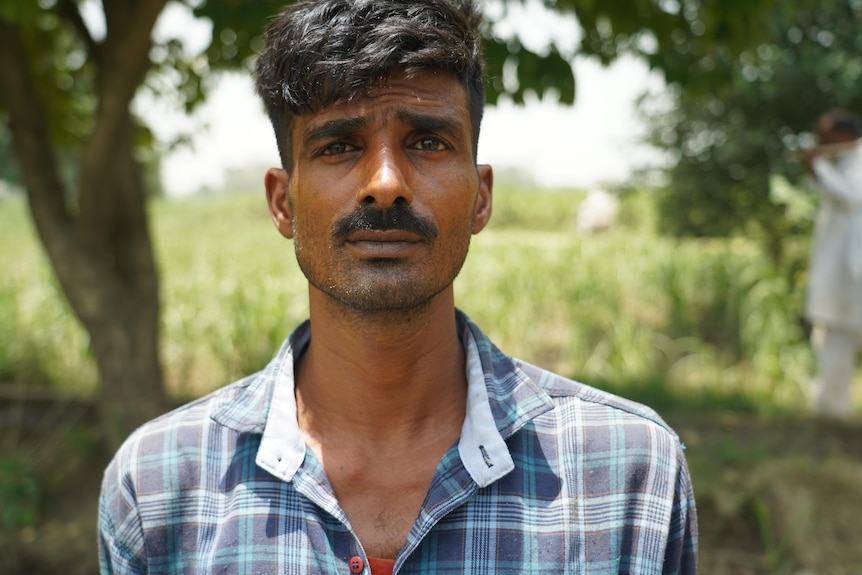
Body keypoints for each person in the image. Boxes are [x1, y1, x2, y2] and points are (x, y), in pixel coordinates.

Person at [98, 1, 698, 573]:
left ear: (481, 197)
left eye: (428, 142)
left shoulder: (629, 474)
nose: (385, 184)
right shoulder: (158, 488)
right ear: (283, 203)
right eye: (339, 146)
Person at [804, 110, 862, 418]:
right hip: (838, 277)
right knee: (832, 341)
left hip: (853, 274)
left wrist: (819, 165)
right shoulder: (842, 164)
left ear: (843, 136)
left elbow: (851, 197)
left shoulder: (859, 162)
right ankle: (832, 411)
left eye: (827, 138)